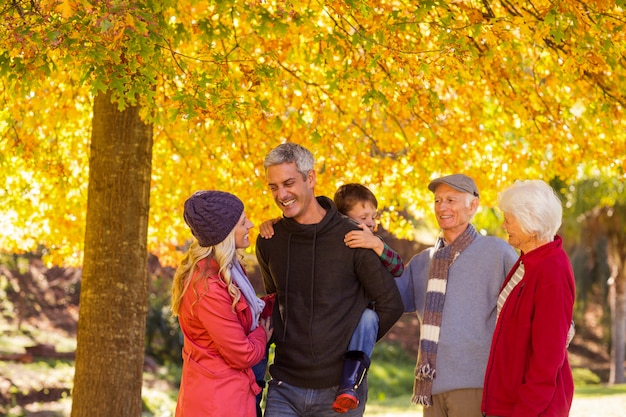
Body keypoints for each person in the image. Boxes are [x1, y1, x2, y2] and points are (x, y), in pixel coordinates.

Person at [255, 143, 404, 417]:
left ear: (310, 178)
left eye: (288, 183)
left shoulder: (353, 237)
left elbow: (390, 303)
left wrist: (353, 346)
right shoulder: (270, 240)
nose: (282, 194)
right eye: (273, 187)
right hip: (284, 385)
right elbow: (276, 300)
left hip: (340, 392)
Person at [395, 174, 518, 417]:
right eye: (438, 200)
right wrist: (375, 250)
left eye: (451, 199)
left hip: (476, 384)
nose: (442, 207)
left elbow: (529, 296)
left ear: (473, 205)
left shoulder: (496, 251)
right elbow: (390, 300)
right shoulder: (422, 262)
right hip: (431, 388)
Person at [171, 190, 274, 417]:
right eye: (242, 222)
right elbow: (242, 354)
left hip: (228, 393)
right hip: (217, 402)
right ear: (225, 234)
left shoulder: (227, 271)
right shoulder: (208, 287)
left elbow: (243, 313)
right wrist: (262, 336)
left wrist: (279, 301)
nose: (250, 224)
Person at [482, 180, 575, 416]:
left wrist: (524, 411)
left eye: (509, 219)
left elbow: (547, 357)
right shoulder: (527, 261)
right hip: (508, 403)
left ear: (531, 224)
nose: (503, 225)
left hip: (530, 409)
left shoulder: (551, 269)